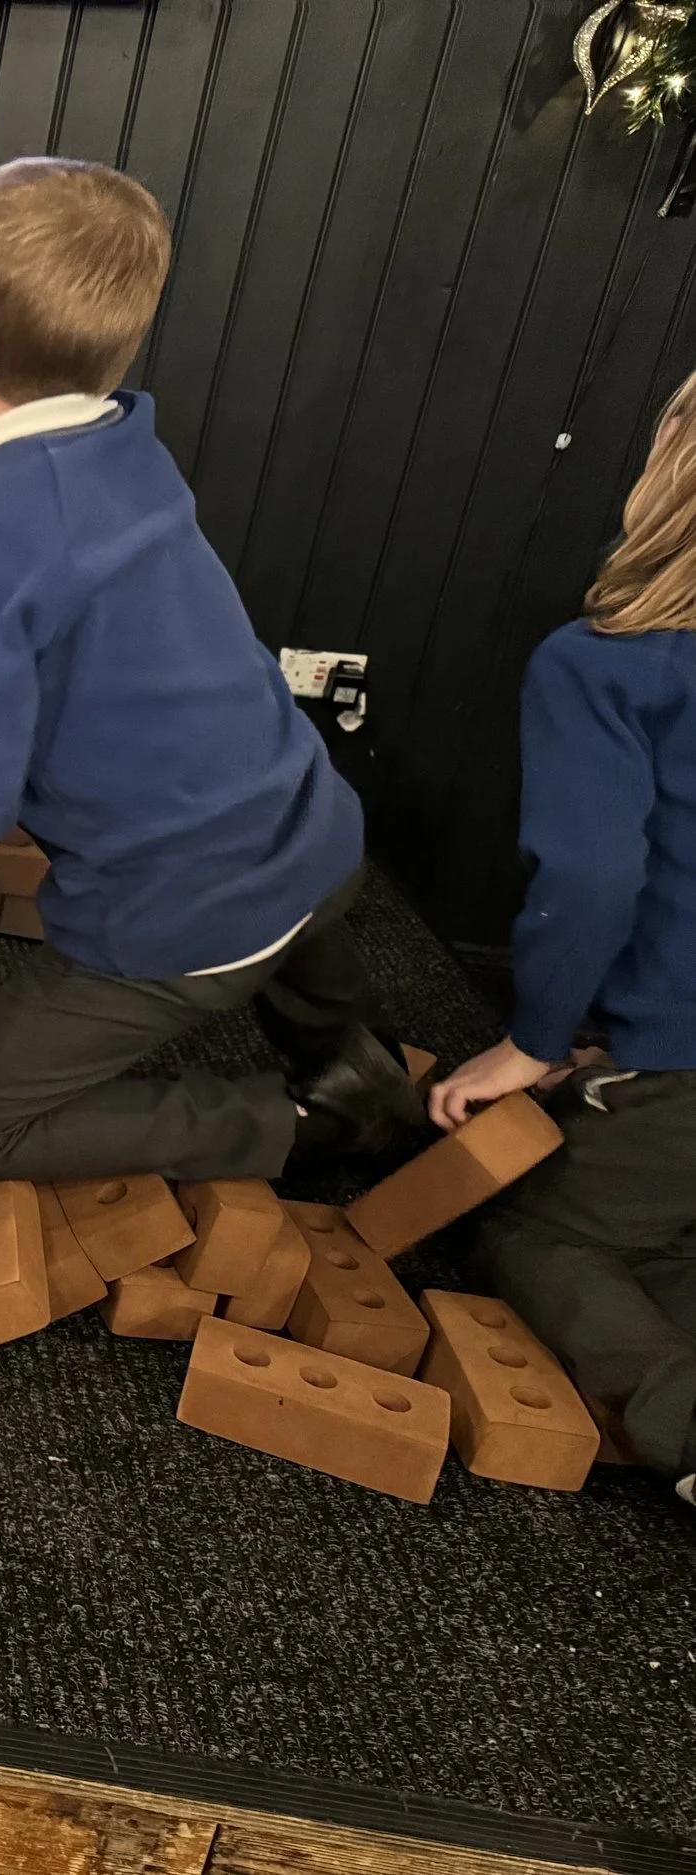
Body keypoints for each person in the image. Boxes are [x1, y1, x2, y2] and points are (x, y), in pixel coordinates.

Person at [0, 157, 419, 1183]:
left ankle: (310, 1126)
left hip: (177, 910)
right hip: (313, 836)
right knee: (291, 929)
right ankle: (355, 1051)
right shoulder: (119, 442)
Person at [434, 372, 696, 1510]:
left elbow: (591, 874)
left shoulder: (610, 662)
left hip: (681, 1063)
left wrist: (535, 1043)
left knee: (539, 1236)